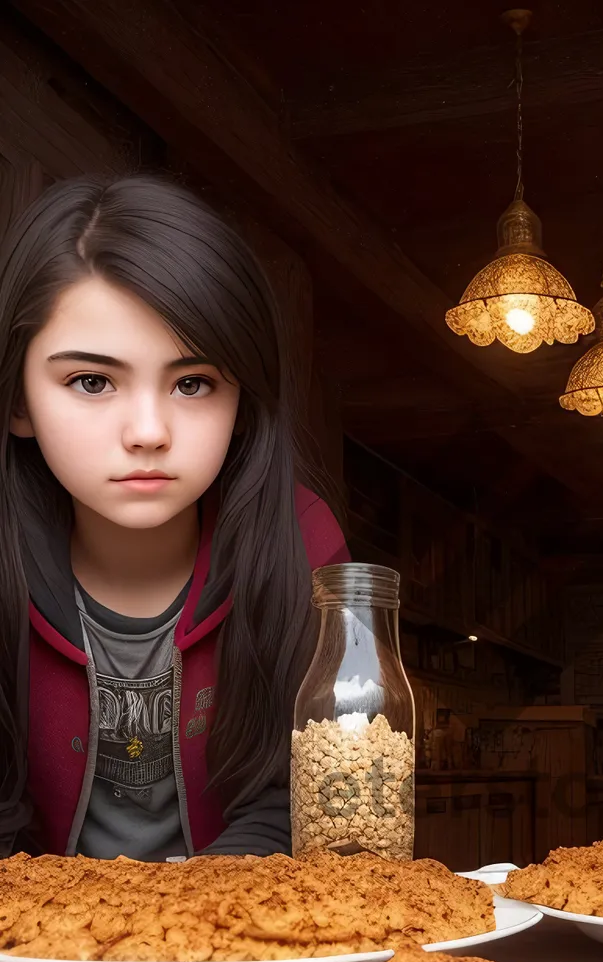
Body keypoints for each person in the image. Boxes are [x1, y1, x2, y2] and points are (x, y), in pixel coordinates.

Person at [0, 175, 349, 861]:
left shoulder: (305, 544)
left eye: (193, 383)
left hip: (244, 947)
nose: (149, 431)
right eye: (92, 382)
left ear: (242, 402)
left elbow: (307, 804)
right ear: (18, 403)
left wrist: (186, 935)